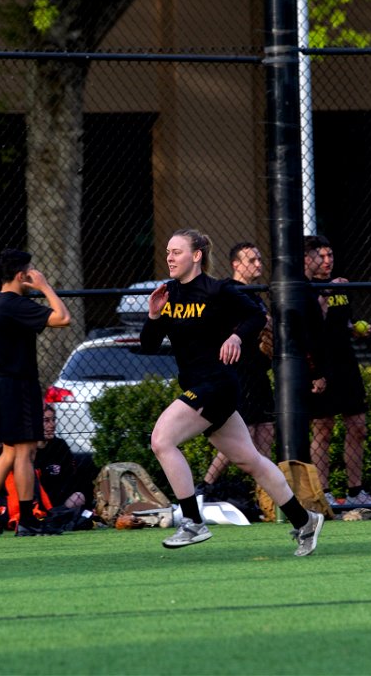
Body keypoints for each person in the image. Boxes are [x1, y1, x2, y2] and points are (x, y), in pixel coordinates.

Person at [142, 228, 323, 556]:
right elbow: (149, 345)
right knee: (250, 459)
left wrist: (237, 336)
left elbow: (256, 315)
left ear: (196, 256)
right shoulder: (169, 293)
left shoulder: (218, 290)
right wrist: (154, 314)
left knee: (161, 440)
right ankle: (304, 520)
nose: (169, 257)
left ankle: (193, 523)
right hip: (198, 385)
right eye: (168, 251)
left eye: (177, 251)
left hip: (217, 385)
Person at [0, 248, 71, 535]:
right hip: (17, 385)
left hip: (1, 385)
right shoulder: (14, 305)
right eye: (30, 272)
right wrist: (45, 287)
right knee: (25, 452)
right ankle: (26, 519)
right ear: (20, 275)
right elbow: (63, 318)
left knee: (9, 453)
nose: (33, 275)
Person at [303, 235, 371, 507]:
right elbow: (315, 323)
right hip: (322, 364)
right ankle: (325, 494)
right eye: (321, 257)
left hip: (346, 362)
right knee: (323, 428)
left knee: (358, 426)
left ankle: (356, 492)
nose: (326, 261)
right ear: (308, 259)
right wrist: (326, 293)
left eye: (330, 256)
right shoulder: (307, 288)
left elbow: (343, 322)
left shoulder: (341, 286)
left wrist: (356, 329)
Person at [198, 242, 276, 491]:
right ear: (236, 264)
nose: (258, 264)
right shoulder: (230, 290)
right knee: (243, 435)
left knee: (266, 430)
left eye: (259, 259)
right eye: (251, 260)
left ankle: (264, 493)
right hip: (238, 372)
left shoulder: (254, 293)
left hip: (258, 371)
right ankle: (206, 486)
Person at [34, 405, 87, 509]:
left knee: (79, 497)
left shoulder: (60, 446)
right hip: (35, 501)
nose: (52, 425)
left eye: (53, 420)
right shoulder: (27, 450)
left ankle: (57, 515)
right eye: (46, 420)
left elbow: (71, 477)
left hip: (59, 501)